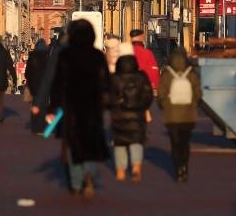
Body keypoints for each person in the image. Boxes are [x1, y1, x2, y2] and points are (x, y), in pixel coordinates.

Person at [48, 19, 110, 198]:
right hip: (92, 105)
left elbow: (58, 83)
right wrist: (109, 101)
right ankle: (89, 175)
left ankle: (76, 184)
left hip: (72, 106)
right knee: (90, 142)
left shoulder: (66, 55)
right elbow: (106, 81)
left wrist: (53, 106)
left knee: (72, 144)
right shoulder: (97, 55)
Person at [109, 43, 154, 181]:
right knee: (136, 141)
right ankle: (136, 167)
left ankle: (121, 170)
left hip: (119, 115)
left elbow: (108, 97)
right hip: (137, 114)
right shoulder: (141, 76)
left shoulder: (115, 78)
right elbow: (148, 95)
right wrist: (142, 106)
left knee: (120, 143)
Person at [158, 47, 202, 182]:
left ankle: (177, 169)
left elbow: (161, 96)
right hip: (188, 115)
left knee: (175, 143)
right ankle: (184, 167)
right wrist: (194, 106)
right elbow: (198, 95)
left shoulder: (166, 75)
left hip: (171, 116)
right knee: (185, 143)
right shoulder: (192, 74)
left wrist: (165, 107)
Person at [25, 39, 50, 134]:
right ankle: (41, 128)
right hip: (45, 86)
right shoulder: (48, 58)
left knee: (35, 106)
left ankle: (34, 127)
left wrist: (30, 82)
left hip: (34, 87)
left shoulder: (32, 57)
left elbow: (27, 73)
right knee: (43, 107)